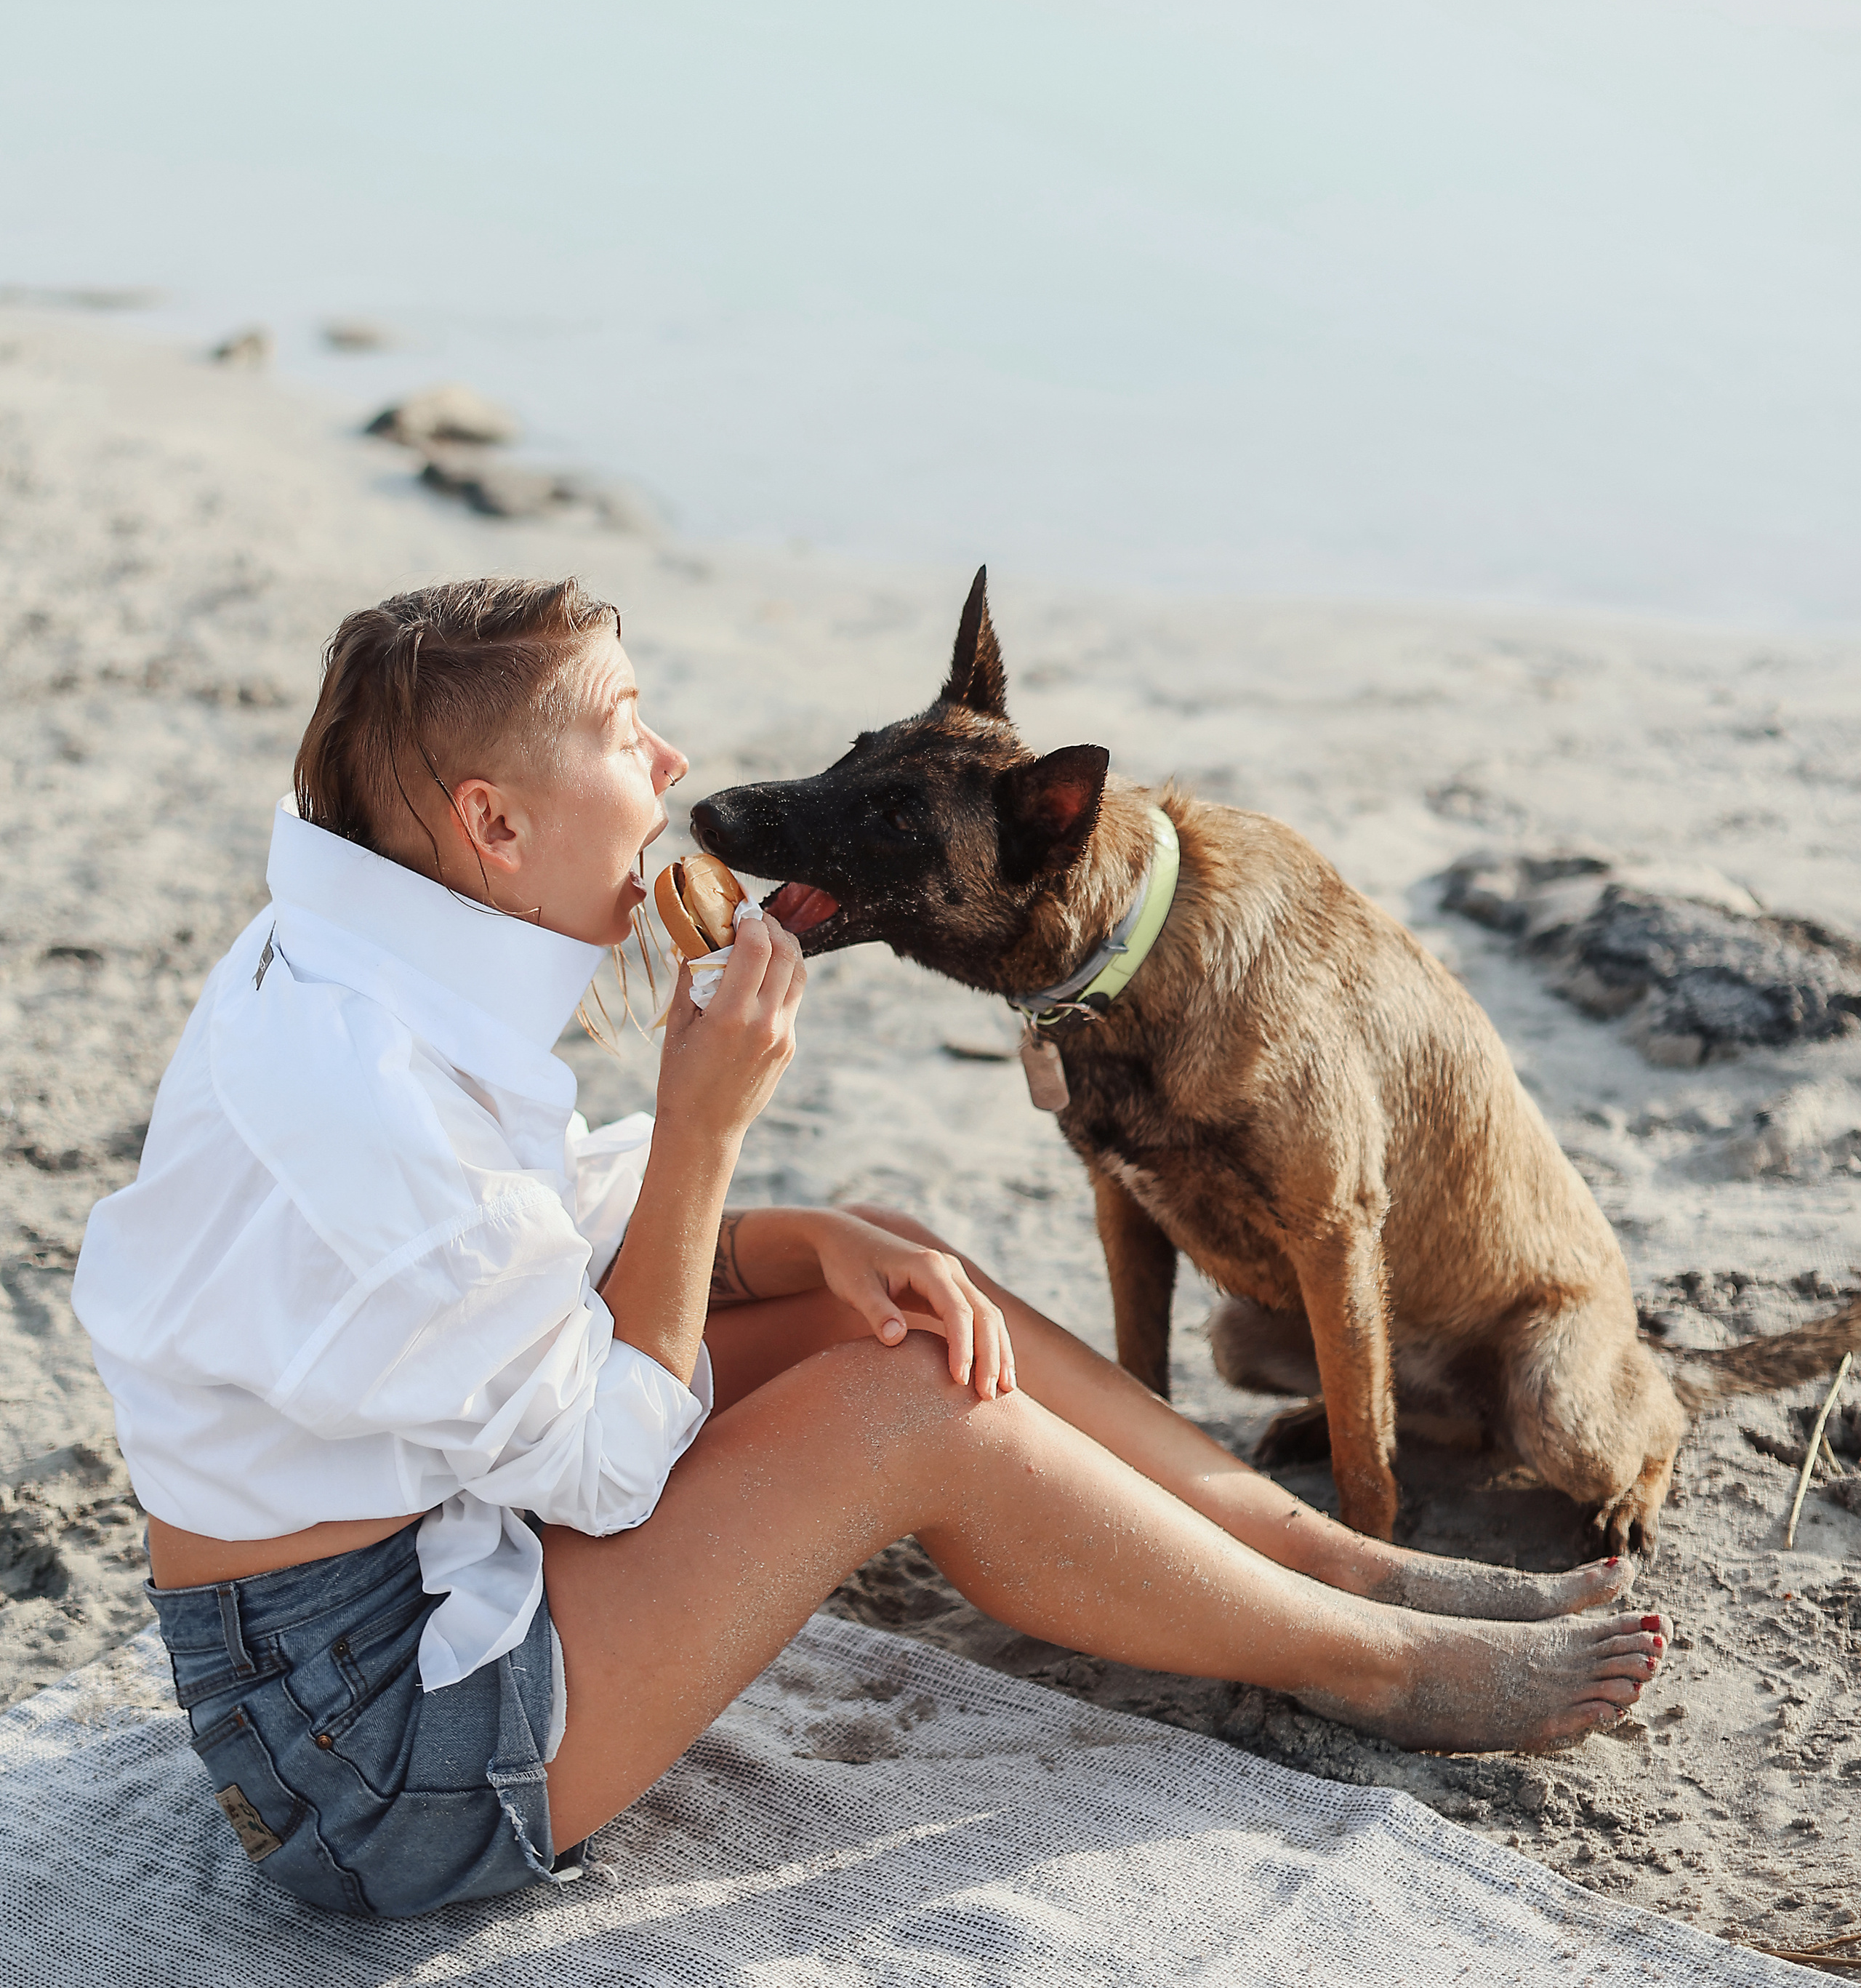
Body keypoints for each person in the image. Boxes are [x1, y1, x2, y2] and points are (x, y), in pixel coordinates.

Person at [73, 577, 1668, 1922]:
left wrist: (806, 1234)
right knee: (905, 1408)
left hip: (425, 1546)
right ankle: (1372, 1660)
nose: (676, 759)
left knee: (888, 1260)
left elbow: (543, 1243)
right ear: (493, 822)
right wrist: (703, 1130)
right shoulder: (367, 1110)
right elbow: (603, 1469)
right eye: (628, 732)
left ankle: (1326, 1551)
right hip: (381, 1752)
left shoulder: (365, 953)